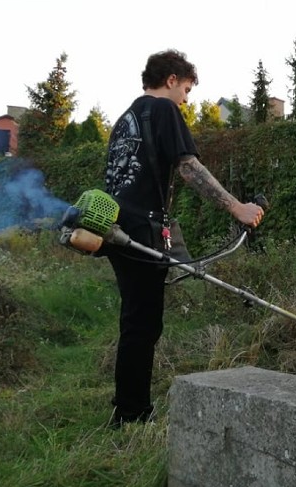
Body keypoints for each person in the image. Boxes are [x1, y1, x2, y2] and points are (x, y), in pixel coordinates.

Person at [104, 49, 264, 426]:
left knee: (134, 319)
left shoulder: (125, 118)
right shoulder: (163, 110)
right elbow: (189, 168)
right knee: (143, 323)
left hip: (113, 226)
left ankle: (128, 407)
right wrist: (236, 207)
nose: (187, 99)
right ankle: (131, 415)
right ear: (172, 79)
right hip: (142, 226)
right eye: (187, 89)